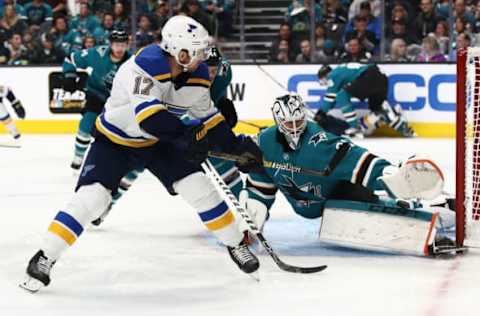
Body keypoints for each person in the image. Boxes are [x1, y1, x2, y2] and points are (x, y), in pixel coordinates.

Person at [20, 16, 262, 293]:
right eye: (198, 50)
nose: (204, 56)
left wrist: (236, 146)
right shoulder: (144, 65)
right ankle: (44, 256)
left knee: (199, 187)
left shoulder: (196, 76)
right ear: (180, 52)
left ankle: (234, 244)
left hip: (159, 142)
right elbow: (150, 119)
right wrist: (188, 136)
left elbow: (209, 118)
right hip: (116, 141)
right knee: (93, 199)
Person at [241, 93, 454, 255]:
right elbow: (260, 189)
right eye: (289, 124)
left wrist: (390, 173)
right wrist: (252, 225)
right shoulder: (264, 143)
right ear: (278, 122)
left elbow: (361, 163)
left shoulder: (322, 142)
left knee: (375, 201)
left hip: (338, 193)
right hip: (309, 206)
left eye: (299, 122)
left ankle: (440, 209)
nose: (295, 128)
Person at [62, 30, 131, 171]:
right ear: (110, 44)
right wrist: (69, 75)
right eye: (117, 45)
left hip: (118, 101)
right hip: (96, 94)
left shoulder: (132, 62)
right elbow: (70, 59)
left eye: (123, 45)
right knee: (87, 122)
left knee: (115, 133)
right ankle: (78, 157)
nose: (120, 49)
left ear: (127, 46)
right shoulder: (97, 54)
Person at [315, 63, 415, 138]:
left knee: (342, 96)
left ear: (325, 76)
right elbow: (332, 100)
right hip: (380, 76)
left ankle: (355, 127)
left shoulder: (332, 75)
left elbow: (330, 98)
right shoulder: (340, 71)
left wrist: (321, 112)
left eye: (323, 80)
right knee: (378, 110)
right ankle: (398, 120)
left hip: (369, 75)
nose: (325, 83)